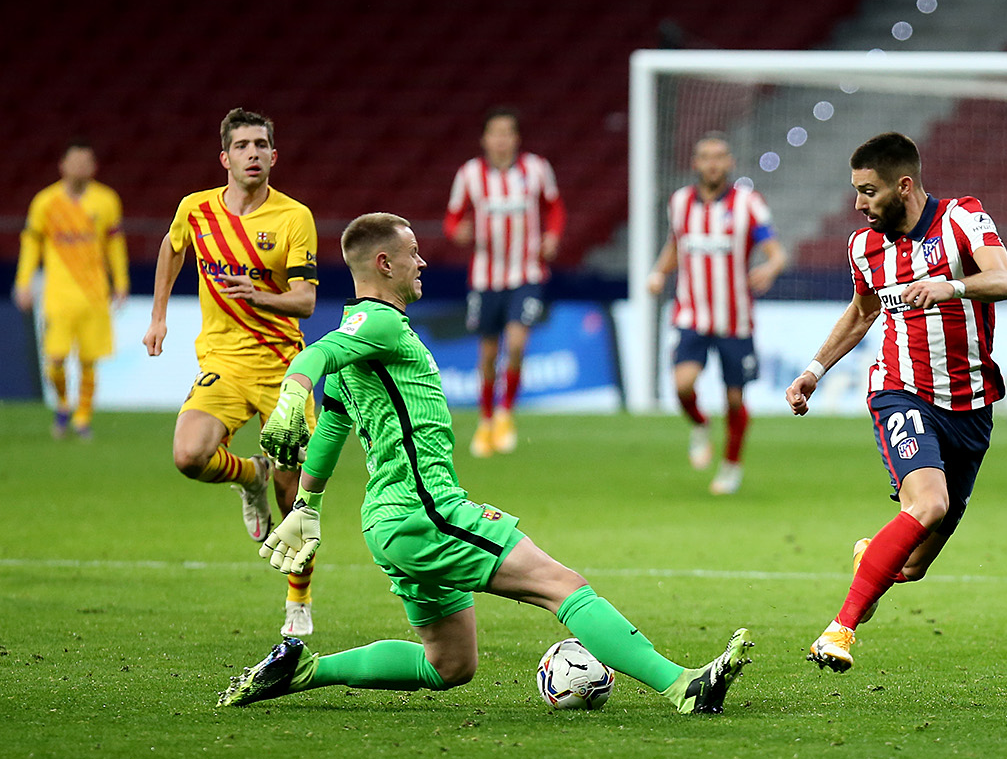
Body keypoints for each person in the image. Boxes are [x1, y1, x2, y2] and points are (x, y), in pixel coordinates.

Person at [218, 212, 752, 713]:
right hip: (425, 512)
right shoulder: (375, 324)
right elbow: (317, 355)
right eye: (412, 252)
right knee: (561, 585)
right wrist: (292, 391)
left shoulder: (363, 339)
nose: (422, 262)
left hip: (390, 521)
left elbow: (333, 425)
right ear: (384, 263)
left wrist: (307, 505)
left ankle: (304, 668)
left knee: (449, 665)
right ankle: (685, 686)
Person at [784, 133, 1007, 672]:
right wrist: (813, 371)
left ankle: (875, 557)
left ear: (903, 185)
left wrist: (949, 288)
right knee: (929, 503)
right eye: (856, 192)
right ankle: (838, 630)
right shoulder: (862, 247)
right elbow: (862, 312)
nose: (859, 204)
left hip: (972, 405)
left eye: (868, 191)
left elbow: (1006, 279)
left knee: (911, 566)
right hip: (901, 391)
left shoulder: (962, 218)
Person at [142, 108, 320, 636]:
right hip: (222, 362)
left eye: (261, 145)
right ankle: (250, 475)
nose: (253, 154)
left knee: (295, 501)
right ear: (225, 157)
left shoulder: (294, 217)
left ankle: (299, 602)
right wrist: (157, 316)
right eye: (242, 146)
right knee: (188, 455)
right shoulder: (195, 209)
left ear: (274, 156)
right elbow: (172, 249)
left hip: (286, 371)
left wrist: (260, 296)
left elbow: (306, 301)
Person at [647, 133, 787, 495]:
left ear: (729, 163)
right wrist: (660, 272)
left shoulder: (748, 204)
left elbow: (776, 252)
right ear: (695, 163)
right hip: (691, 315)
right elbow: (676, 245)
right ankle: (699, 423)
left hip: (734, 320)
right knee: (682, 385)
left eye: (719, 157)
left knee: (735, 399)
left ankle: (730, 465)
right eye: (705, 157)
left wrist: (770, 269)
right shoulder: (679, 202)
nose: (712, 163)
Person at [444, 107, 566, 458]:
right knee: (487, 353)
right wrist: (459, 232)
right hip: (485, 278)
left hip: (526, 273)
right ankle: (485, 421)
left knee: (515, 344)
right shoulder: (469, 174)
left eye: (507, 132)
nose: (501, 139)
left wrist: (553, 236)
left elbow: (555, 208)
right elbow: (452, 219)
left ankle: (505, 413)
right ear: (485, 139)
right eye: (495, 133)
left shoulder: (536, 169)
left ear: (516, 138)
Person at [12, 139, 128, 439]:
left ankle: (82, 419)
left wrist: (122, 282)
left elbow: (115, 244)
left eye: (85, 162)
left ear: (94, 167)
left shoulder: (106, 200)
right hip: (58, 297)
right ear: (62, 165)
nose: (80, 167)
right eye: (74, 161)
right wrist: (23, 280)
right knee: (55, 361)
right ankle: (63, 404)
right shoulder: (45, 202)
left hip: (94, 295)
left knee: (89, 360)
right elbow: (31, 242)